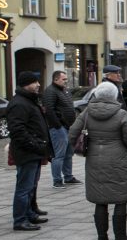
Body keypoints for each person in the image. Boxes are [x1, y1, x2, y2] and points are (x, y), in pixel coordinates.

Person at [69, 82, 127, 240]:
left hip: (94, 160)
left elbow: (72, 134)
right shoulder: (121, 113)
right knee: (120, 198)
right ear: (114, 96)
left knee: (100, 200)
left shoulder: (87, 113)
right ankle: (121, 238)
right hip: (117, 159)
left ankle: (102, 239)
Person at [8, 72, 52, 231]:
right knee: (24, 187)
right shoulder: (19, 103)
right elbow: (18, 131)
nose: (38, 85)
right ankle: (20, 220)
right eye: (35, 82)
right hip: (27, 152)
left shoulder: (29, 100)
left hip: (35, 151)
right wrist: (35, 145)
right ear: (26, 84)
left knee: (31, 186)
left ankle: (29, 214)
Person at [43, 70, 80, 188]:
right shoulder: (50, 91)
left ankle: (68, 177)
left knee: (69, 153)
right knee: (59, 154)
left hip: (68, 127)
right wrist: (58, 125)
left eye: (66, 79)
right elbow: (49, 110)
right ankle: (57, 180)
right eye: (63, 79)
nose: (66, 81)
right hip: (58, 128)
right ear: (55, 79)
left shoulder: (65, 90)